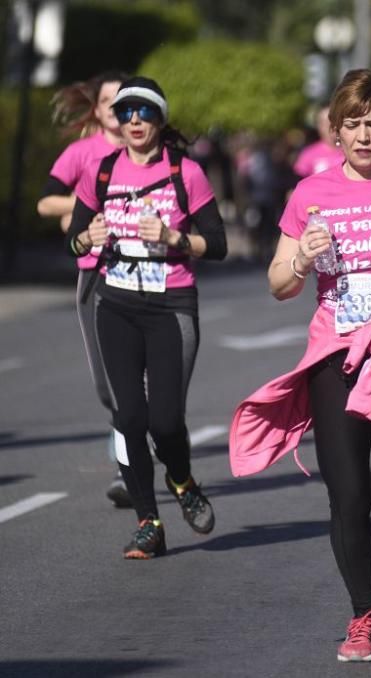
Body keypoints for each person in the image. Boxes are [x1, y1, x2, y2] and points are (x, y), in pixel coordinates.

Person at [229, 69, 371, 663]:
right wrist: (301, 259)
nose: (363, 136)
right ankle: (363, 616)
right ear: (335, 132)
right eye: (352, 125)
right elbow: (279, 284)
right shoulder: (309, 194)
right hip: (337, 358)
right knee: (349, 498)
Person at [65, 76, 227, 558]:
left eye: (145, 111)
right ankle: (147, 523)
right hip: (115, 306)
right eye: (126, 112)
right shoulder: (101, 171)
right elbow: (74, 239)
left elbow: (216, 244)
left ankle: (182, 479)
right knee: (129, 418)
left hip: (171, 307)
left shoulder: (186, 173)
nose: (134, 120)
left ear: (160, 118)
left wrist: (176, 239)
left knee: (165, 420)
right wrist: (87, 238)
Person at [37, 70, 131, 508]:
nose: (116, 109)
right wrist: (87, 206)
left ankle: (131, 465)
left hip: (152, 275)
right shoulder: (83, 153)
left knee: (146, 375)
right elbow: (46, 202)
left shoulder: (152, 153)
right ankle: (135, 447)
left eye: (123, 100)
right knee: (109, 381)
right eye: (107, 100)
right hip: (96, 271)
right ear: (96, 109)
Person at [293, 105, 345, 178]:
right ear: (318, 126)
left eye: (333, 120)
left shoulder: (351, 151)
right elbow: (297, 184)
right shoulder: (308, 154)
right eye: (325, 122)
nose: (330, 126)